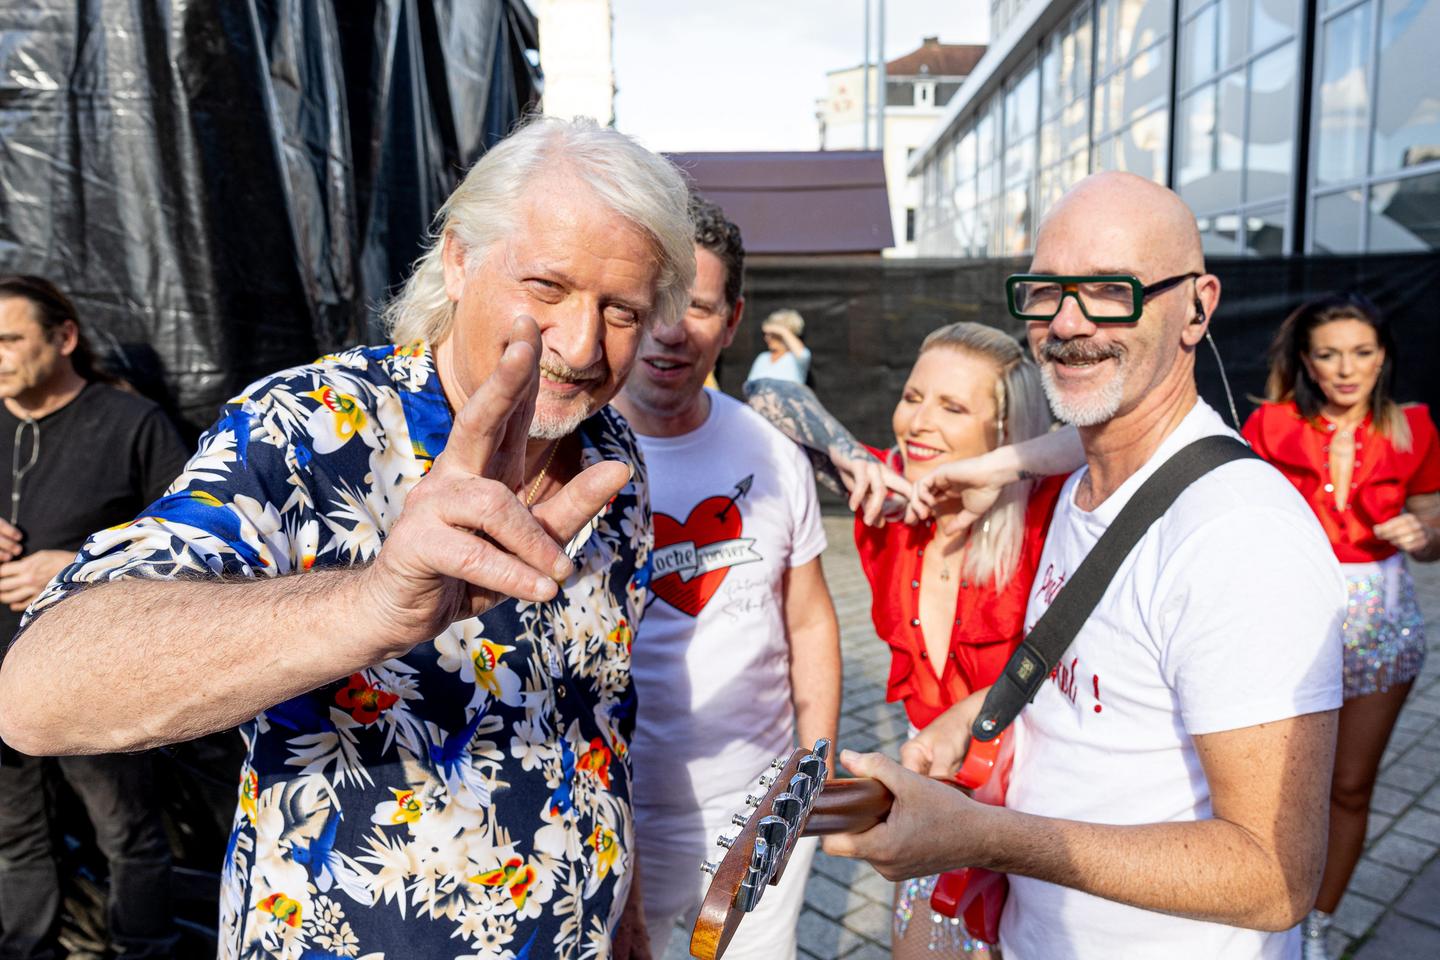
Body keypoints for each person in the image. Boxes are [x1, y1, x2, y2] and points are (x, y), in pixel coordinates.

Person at [0, 118, 696, 960]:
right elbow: (37, 694)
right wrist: (369, 606)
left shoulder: (612, 455)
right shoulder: (312, 430)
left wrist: (625, 913)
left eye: (622, 311)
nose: (582, 345)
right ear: (459, 259)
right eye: (547, 287)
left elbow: (602, 714)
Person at [824, 171, 1347, 960]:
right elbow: (1092, 683)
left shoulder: (1240, 534)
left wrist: (986, 836)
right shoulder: (1081, 489)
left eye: (1110, 290)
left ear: (1197, 307)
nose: (1067, 324)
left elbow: (1275, 878)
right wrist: (978, 714)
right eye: (1046, 291)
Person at [747, 323, 1070, 959]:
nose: (918, 423)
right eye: (913, 397)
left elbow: (1114, 437)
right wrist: (850, 455)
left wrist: (1001, 468)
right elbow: (765, 393)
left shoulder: (1049, 507)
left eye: (953, 408)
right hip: (938, 805)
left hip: (1044, 808)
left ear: (1006, 429)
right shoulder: (887, 501)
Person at [612, 195, 841, 958]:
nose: (671, 329)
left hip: (757, 808)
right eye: (655, 302)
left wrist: (813, 769)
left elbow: (809, 617)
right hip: (619, 817)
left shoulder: (771, 452)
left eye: (700, 306)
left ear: (734, 320)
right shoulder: (570, 453)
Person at [1242, 292, 1440, 960]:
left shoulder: (1415, 426)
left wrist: (1425, 534)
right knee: (1264, 786)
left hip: (1384, 628)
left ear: (1383, 356)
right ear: (1306, 361)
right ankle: (1257, 909)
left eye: (1361, 352)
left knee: (1349, 787)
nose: (1347, 369)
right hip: (1288, 625)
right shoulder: (1270, 425)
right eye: (1329, 355)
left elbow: (1433, 528)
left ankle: (1315, 928)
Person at [0, 276, 189, 959]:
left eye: (9, 339)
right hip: (2, 676)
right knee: (14, 838)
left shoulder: (131, 423)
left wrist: (79, 564)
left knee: (127, 834)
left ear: (64, 338)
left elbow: (190, 537)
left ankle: (145, 950)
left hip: (92, 672)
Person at [745, 309, 810, 385]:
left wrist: (781, 330)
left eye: (772, 334)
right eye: (766, 334)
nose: (767, 338)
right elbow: (750, 385)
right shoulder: (762, 357)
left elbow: (802, 354)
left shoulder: (795, 358)